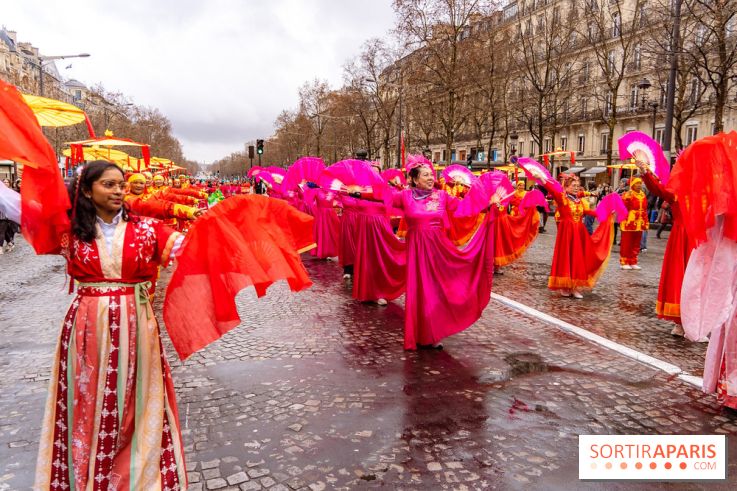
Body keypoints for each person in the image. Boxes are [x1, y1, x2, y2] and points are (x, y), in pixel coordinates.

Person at [355, 159, 499, 349]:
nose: (431, 178)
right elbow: (382, 195)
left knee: (437, 290)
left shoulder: (442, 196)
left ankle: (432, 332)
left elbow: (465, 207)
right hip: (416, 250)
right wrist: (361, 187)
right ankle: (420, 333)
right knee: (420, 291)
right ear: (414, 180)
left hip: (438, 250)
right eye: (426, 175)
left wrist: (489, 203)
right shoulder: (405, 196)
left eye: (431, 174)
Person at [634, 157, 695, 335]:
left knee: (698, 281)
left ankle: (695, 321)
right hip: (683, 239)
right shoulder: (677, 191)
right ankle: (680, 322)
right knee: (681, 278)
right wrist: (645, 172)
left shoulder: (705, 191)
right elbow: (658, 189)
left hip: (701, 240)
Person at [533, 173, 616, 299]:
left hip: (579, 233)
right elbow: (552, 190)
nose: (577, 187)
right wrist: (541, 179)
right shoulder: (563, 198)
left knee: (578, 259)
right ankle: (565, 286)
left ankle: (575, 286)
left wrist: (606, 213)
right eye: (573, 185)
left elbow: (589, 212)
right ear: (566, 187)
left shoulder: (579, 201)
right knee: (567, 258)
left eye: (578, 185)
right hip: (567, 233)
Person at [619, 177, 649, 270]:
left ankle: (633, 261)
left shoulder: (643, 195)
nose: (639, 185)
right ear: (632, 185)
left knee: (636, 243)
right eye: (637, 183)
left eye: (640, 183)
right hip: (629, 221)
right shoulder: (628, 195)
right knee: (627, 242)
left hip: (640, 222)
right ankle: (624, 261)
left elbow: (645, 208)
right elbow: (623, 208)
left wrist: (645, 221)